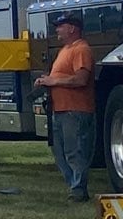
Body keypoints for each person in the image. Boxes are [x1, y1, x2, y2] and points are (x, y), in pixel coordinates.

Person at [34, 14, 95, 202]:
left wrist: (54, 80)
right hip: (59, 109)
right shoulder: (65, 50)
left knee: (75, 150)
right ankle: (73, 186)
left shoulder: (81, 49)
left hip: (75, 110)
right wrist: (46, 81)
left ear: (72, 29)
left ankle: (78, 190)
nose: (57, 29)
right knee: (60, 152)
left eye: (61, 26)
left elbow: (81, 79)